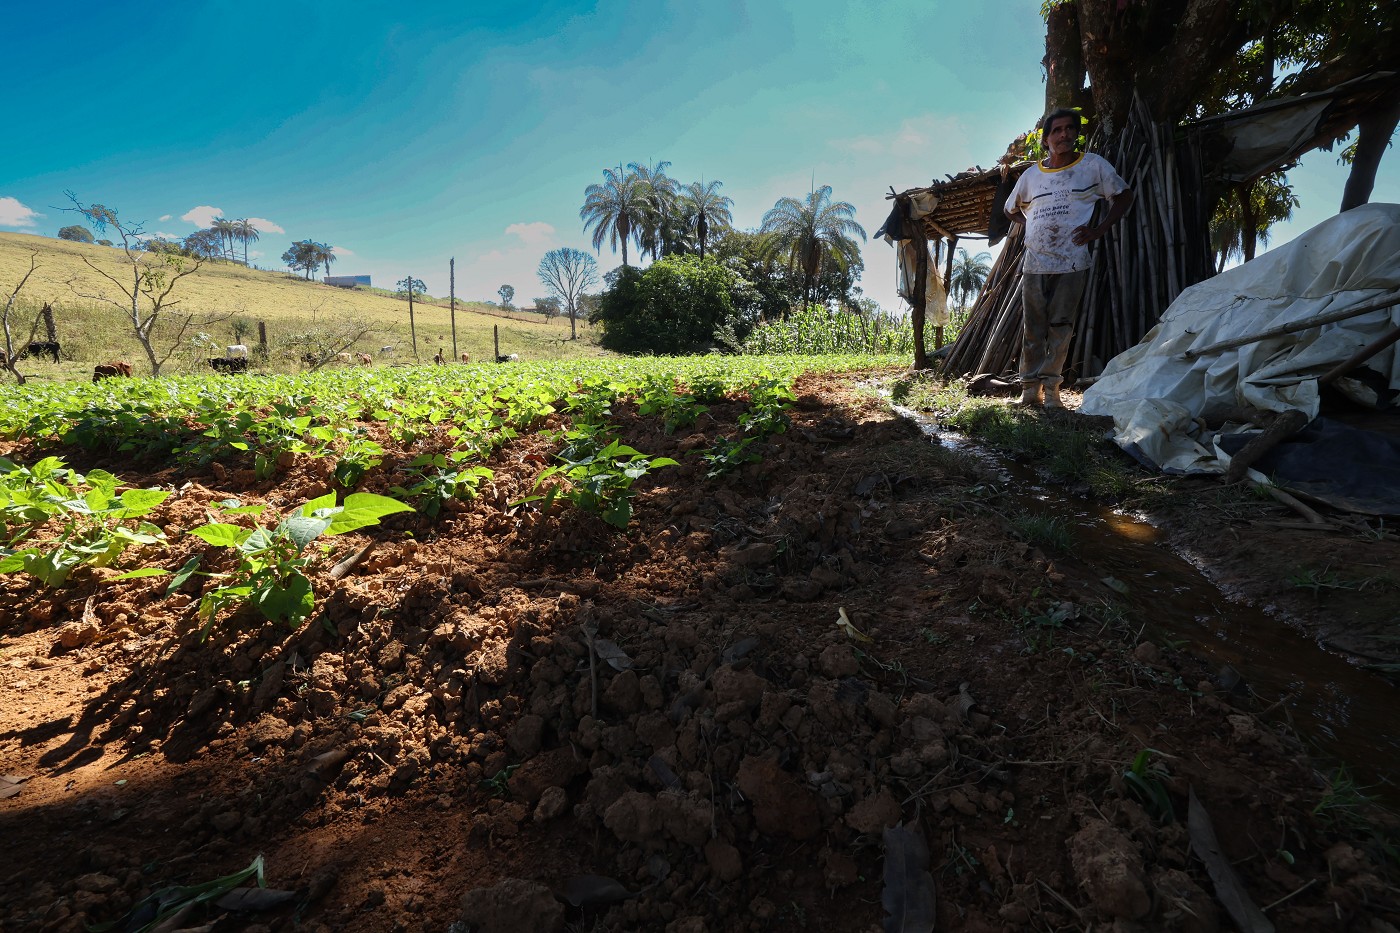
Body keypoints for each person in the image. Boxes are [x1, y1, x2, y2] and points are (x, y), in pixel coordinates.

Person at [1005, 108, 1133, 408]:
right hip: (1035, 262)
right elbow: (1010, 209)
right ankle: (1029, 390)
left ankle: (1051, 391)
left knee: (1061, 326)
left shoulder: (1092, 166)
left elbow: (1123, 195)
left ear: (1076, 134)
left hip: (1072, 260)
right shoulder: (1031, 175)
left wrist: (1099, 229)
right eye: (1057, 130)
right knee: (1033, 328)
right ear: (1046, 139)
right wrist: (1032, 225)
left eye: (1069, 129)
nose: (1064, 134)